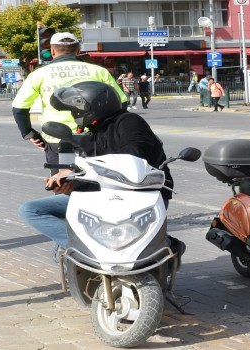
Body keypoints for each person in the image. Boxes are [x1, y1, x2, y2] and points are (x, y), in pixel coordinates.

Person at [18, 81, 186, 266]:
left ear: (93, 106)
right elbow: (93, 171)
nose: (74, 115)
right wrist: (71, 181)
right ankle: (82, 248)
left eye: (76, 110)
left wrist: (76, 173)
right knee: (31, 210)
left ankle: (166, 244)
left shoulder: (129, 123)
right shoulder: (94, 133)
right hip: (102, 197)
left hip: (141, 196)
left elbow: (130, 160)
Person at [12, 32, 127, 174]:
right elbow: (121, 102)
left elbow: (19, 108)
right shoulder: (98, 71)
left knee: (63, 185)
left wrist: (29, 133)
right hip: (96, 138)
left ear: (52, 51)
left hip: (57, 139)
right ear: (78, 50)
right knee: (98, 185)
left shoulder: (39, 74)